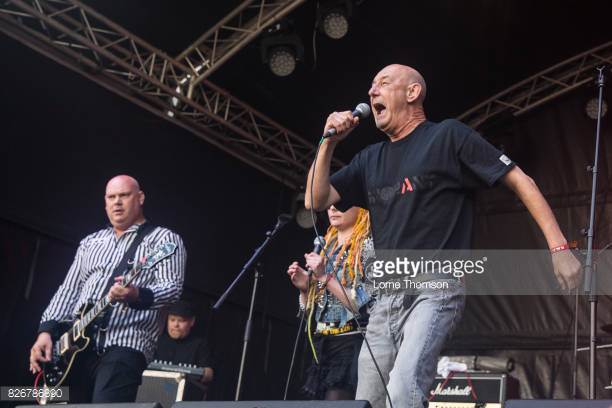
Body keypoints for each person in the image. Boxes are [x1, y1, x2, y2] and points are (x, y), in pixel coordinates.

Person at [305, 64, 582, 408]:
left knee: (404, 389)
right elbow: (314, 200)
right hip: (385, 297)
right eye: (371, 85)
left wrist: (558, 247)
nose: (372, 91)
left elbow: (521, 181)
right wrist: (328, 142)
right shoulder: (370, 159)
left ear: (413, 92)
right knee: (368, 400)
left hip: (435, 286)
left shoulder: (447, 136)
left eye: (383, 83)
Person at [29, 175, 186, 403]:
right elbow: (69, 290)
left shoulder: (164, 239)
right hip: (75, 349)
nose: (117, 202)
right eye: (111, 197)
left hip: (126, 344)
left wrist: (136, 294)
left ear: (140, 198)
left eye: (124, 195)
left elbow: (172, 288)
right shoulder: (90, 242)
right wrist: (46, 331)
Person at [287, 205, 374, 400]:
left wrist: (324, 277)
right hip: (323, 345)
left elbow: (360, 304)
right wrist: (304, 288)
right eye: (329, 205)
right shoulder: (326, 245)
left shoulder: (368, 245)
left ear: (360, 207)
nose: (333, 208)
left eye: (341, 204)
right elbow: (309, 312)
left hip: (352, 342)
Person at [154, 301, 214, 400]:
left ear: (192, 321)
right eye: (172, 320)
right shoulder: (158, 340)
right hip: (156, 390)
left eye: (181, 321)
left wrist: (197, 373)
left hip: (186, 396)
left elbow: (209, 374)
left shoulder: (199, 344)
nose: (176, 325)